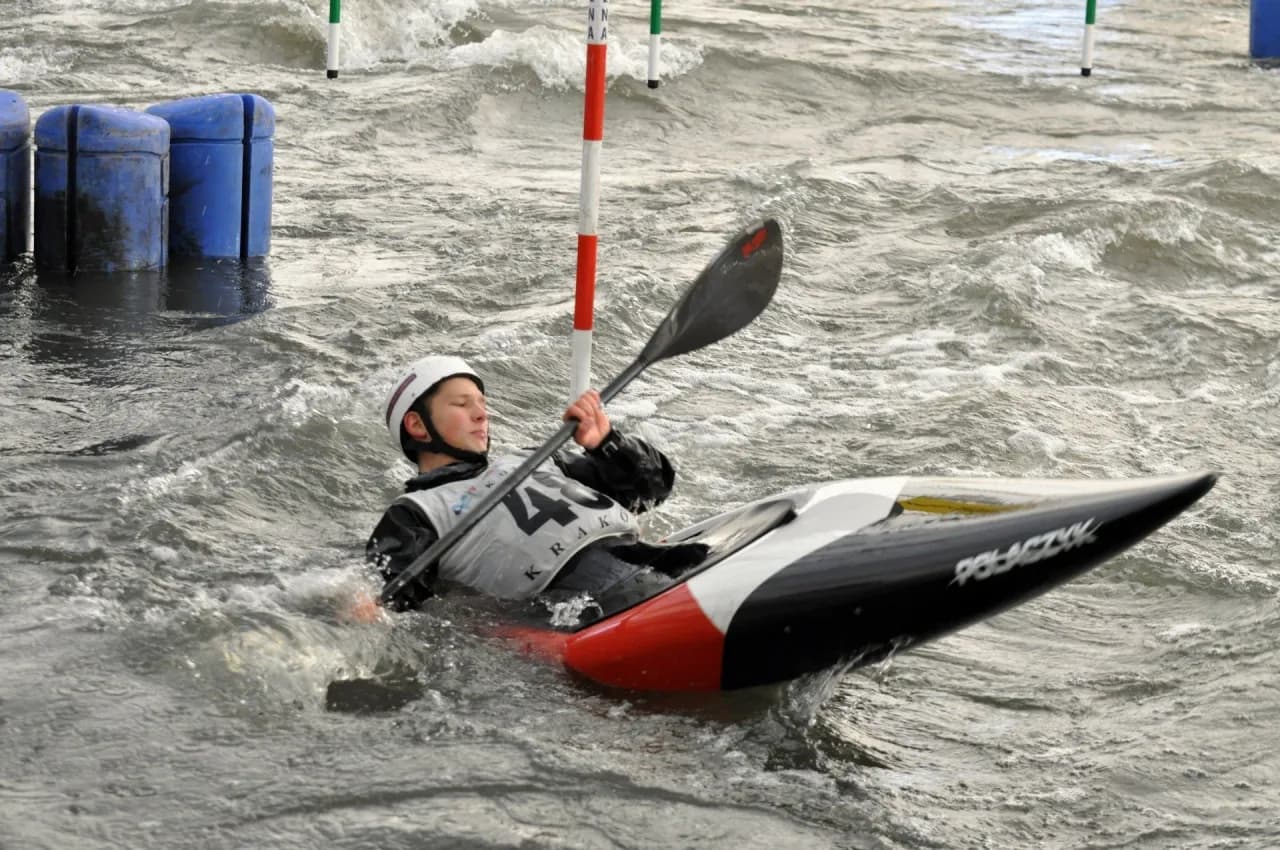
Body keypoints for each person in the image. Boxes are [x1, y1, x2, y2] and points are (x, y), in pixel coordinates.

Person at [366, 355, 701, 617]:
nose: (482, 415)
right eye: (462, 404)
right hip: (576, 602)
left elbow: (651, 491)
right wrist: (370, 604)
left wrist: (606, 444)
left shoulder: (536, 459)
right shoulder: (416, 513)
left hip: (643, 557)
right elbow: (396, 595)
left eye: (482, 403)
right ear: (417, 425)